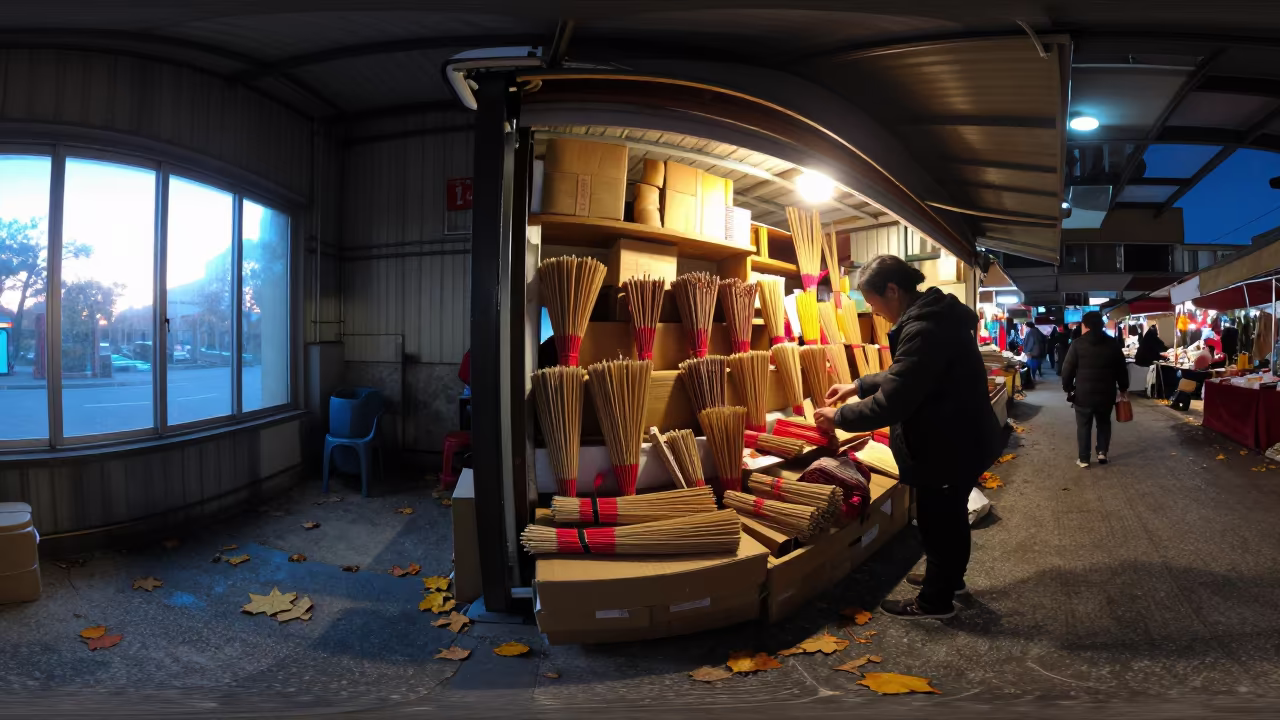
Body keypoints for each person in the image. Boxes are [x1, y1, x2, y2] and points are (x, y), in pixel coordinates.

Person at [814, 255, 1002, 620]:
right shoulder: (932, 317)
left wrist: (838, 417)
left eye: (873, 303)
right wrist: (857, 385)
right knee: (945, 519)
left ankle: (935, 601)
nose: (875, 312)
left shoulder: (924, 327)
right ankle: (948, 580)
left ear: (893, 290)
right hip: (955, 439)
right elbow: (909, 372)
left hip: (947, 445)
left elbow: (894, 401)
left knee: (940, 521)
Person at [1060, 311, 1128, 468]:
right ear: (1102, 324)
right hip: (1106, 393)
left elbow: (1067, 369)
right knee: (1104, 423)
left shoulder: (1077, 344)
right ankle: (1102, 452)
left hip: (1083, 393)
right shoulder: (1112, 344)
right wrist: (1123, 387)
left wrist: (1068, 387)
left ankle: (1084, 459)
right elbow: (1121, 369)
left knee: (1083, 425)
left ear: (1085, 325)